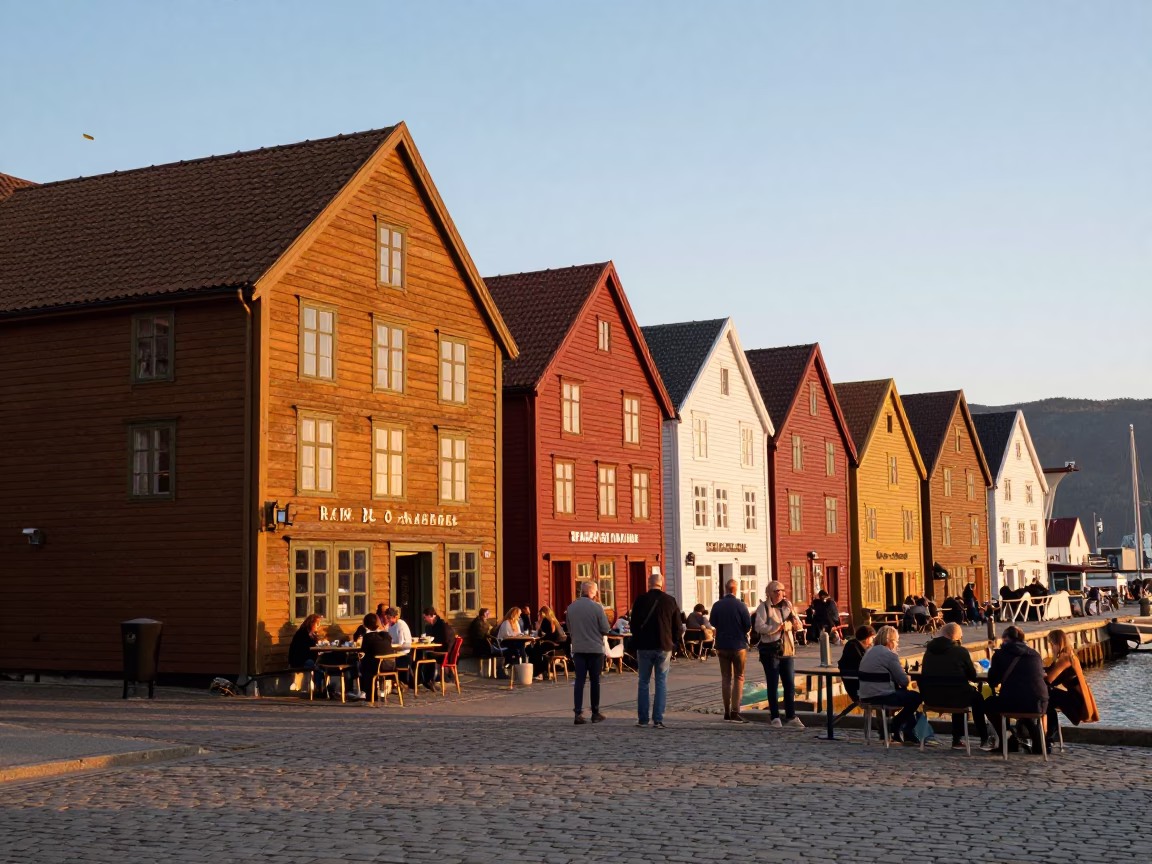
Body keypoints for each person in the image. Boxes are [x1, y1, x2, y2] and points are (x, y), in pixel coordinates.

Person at [919, 622, 996, 751]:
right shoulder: (960, 651)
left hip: (932, 698)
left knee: (958, 691)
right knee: (975, 697)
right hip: (956, 698)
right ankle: (983, 738)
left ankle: (957, 740)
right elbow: (972, 676)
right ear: (957, 637)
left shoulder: (929, 651)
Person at [984, 625, 1048, 754]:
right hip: (1039, 703)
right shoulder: (1034, 654)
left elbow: (993, 680)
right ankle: (1038, 741)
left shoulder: (1000, 655)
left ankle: (1007, 739)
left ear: (1006, 639)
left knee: (988, 704)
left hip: (1013, 703)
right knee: (1024, 699)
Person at [630, 571, 682, 729]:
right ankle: (658, 719)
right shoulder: (670, 601)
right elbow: (678, 627)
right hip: (664, 646)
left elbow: (633, 625)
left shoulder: (640, 600)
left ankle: (643, 719)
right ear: (662, 584)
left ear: (649, 583)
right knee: (661, 682)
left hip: (644, 646)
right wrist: (673, 642)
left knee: (643, 682)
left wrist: (637, 639)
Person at [858, 625, 922, 744]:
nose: (897, 644)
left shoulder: (868, 652)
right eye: (896, 641)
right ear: (890, 642)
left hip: (865, 696)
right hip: (882, 696)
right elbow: (904, 681)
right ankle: (896, 725)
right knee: (916, 697)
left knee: (904, 695)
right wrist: (902, 672)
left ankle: (903, 731)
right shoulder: (889, 655)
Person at [754, 581, 804, 728]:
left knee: (789, 684)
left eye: (781, 590)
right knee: (773, 683)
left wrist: (795, 622)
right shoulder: (763, 607)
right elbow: (759, 627)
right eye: (776, 591)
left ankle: (791, 715)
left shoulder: (787, 606)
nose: (779, 593)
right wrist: (776, 628)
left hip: (787, 649)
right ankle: (775, 717)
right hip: (770, 650)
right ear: (769, 593)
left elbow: (799, 625)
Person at [1043, 628, 1099, 750]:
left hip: (1076, 700)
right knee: (1047, 699)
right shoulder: (1070, 656)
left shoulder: (1064, 658)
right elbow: (1052, 676)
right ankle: (1048, 737)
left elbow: (1049, 679)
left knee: (1045, 697)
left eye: (1051, 644)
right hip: (1076, 697)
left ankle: (1048, 737)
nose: (1050, 647)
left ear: (1057, 644)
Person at [565, 581, 611, 724]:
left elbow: (569, 628)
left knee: (579, 681)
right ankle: (595, 712)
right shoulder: (597, 608)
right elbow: (605, 628)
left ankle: (577, 713)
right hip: (595, 649)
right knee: (594, 681)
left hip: (578, 648)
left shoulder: (571, 608)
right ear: (594, 592)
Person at [709, 578, 752, 723]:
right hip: (738, 646)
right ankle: (735, 710)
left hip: (722, 645)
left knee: (726, 678)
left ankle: (726, 711)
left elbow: (712, 622)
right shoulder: (741, 605)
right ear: (736, 589)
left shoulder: (717, 605)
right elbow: (747, 625)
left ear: (725, 589)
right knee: (739, 677)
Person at [356, 613, 395, 700]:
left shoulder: (368, 637)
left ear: (366, 625)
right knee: (368, 662)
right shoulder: (387, 635)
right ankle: (376, 692)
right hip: (391, 665)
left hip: (377, 666)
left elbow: (363, 650)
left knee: (363, 663)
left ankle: (368, 694)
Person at [418, 607, 457, 690]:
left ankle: (428, 680)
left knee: (428, 655)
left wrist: (446, 656)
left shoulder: (441, 626)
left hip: (445, 652)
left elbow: (446, 642)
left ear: (431, 616)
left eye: (425, 617)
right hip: (443, 650)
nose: (424, 619)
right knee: (424, 653)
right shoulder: (435, 625)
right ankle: (426, 679)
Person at [837, 625, 874, 703]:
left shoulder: (855, 646)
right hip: (858, 689)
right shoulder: (853, 647)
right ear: (867, 638)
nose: (872, 641)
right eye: (872, 638)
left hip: (858, 686)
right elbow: (864, 665)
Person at [528, 605, 566, 679]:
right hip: (560, 646)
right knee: (536, 649)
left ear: (542, 613)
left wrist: (539, 627)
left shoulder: (547, 620)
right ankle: (544, 671)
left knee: (534, 651)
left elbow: (548, 634)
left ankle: (537, 672)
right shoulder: (554, 620)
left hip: (552, 644)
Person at [288, 613, 324, 691]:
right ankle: (314, 689)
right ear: (312, 623)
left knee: (321, 665)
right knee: (314, 666)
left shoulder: (311, 634)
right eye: (317, 624)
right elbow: (305, 649)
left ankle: (320, 688)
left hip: (307, 658)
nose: (318, 626)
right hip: (299, 660)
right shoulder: (302, 634)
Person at [381, 607, 413, 687]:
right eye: (386, 618)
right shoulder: (390, 626)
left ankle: (396, 681)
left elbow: (400, 643)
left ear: (394, 617)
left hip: (402, 652)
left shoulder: (400, 625)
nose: (387, 620)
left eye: (389, 618)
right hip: (395, 651)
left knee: (386, 661)